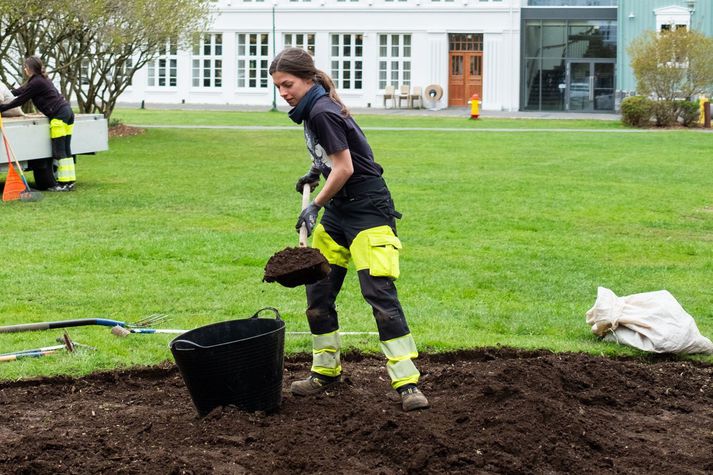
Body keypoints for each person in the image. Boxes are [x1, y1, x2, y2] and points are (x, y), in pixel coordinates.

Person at [269, 48, 429, 412]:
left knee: (380, 296)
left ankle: (407, 383)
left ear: (308, 79)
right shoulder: (313, 109)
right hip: (340, 213)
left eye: (288, 84)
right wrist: (316, 171)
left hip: (368, 211)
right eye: (278, 87)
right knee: (318, 293)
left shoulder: (321, 110)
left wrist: (315, 204)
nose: (283, 93)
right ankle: (325, 373)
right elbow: (332, 159)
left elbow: (345, 169)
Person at [0, 56, 76, 191]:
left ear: (29, 69)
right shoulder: (39, 80)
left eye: (25, 67)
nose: (24, 70)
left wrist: (3, 108)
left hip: (59, 116)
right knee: (66, 150)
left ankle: (63, 184)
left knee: (60, 151)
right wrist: (5, 93)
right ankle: (70, 182)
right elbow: (19, 92)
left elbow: (21, 99)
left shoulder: (36, 83)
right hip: (67, 113)